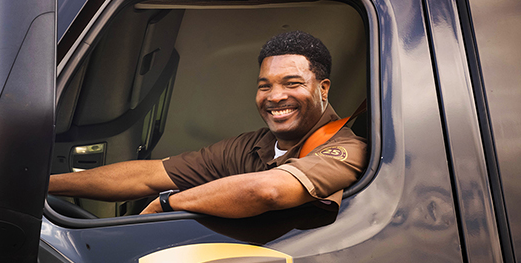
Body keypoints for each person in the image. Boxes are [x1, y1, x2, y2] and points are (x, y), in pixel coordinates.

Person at [49, 31, 367, 218]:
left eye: (292, 83)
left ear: (323, 88)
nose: (275, 96)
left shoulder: (346, 149)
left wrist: (167, 204)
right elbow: (149, 175)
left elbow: (268, 190)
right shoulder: (251, 146)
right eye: (264, 86)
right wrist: (44, 185)